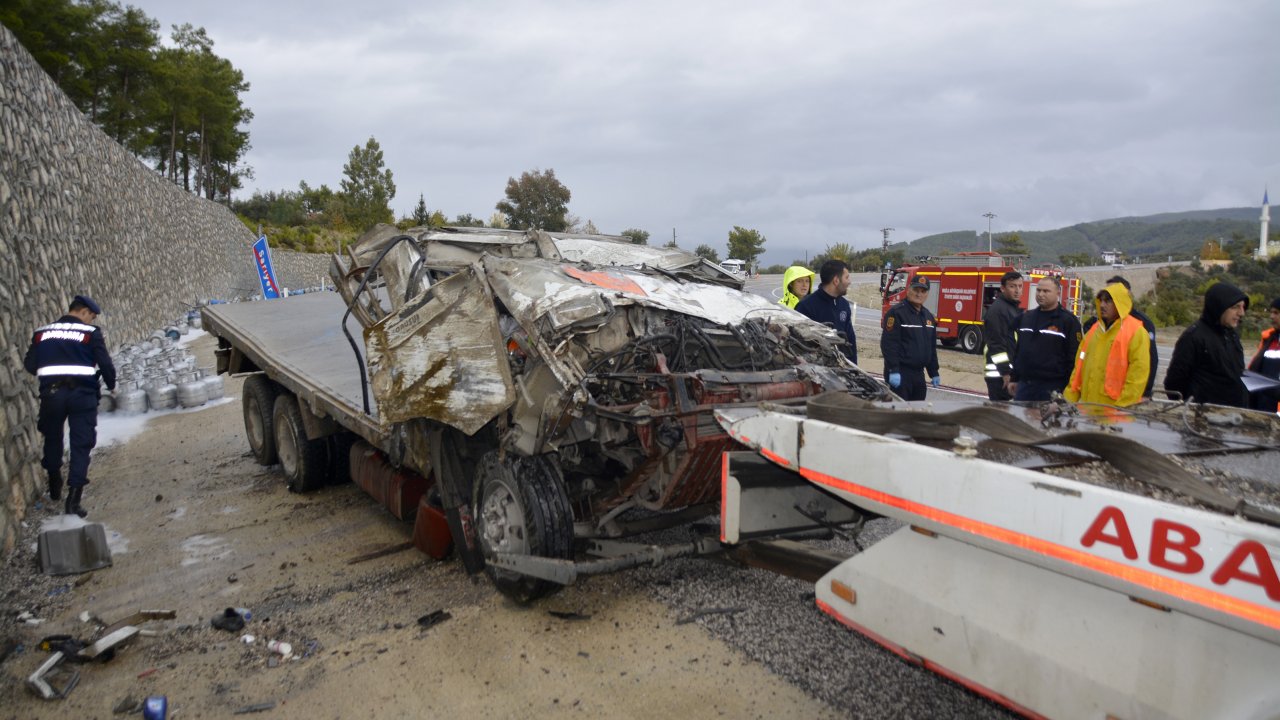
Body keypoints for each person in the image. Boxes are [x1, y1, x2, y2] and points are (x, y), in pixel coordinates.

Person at [23, 295, 116, 517]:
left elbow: (30, 365)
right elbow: (105, 363)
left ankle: (55, 482)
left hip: (52, 394)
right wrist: (111, 384)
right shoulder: (90, 334)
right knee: (81, 444)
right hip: (82, 395)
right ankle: (73, 501)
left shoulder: (41, 333)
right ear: (83, 312)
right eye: (91, 317)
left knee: (52, 436)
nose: (91, 322)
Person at [1164, 282, 1249, 407]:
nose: (1241, 313)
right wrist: (1193, 408)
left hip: (1233, 416)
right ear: (1219, 306)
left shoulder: (1231, 335)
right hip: (1203, 419)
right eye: (1236, 307)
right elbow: (1174, 383)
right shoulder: (1194, 336)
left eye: (1243, 307)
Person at [1064, 282, 1150, 407]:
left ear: (1119, 303)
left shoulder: (1136, 332)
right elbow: (1078, 369)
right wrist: (1068, 400)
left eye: (1108, 301)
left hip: (1114, 413)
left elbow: (1138, 376)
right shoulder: (1094, 331)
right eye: (1101, 301)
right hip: (1088, 409)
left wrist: (1122, 409)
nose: (1103, 305)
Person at [1083, 275, 1158, 398]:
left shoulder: (1141, 324)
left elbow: (1148, 361)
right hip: (1094, 396)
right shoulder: (1095, 325)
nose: (1104, 303)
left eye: (1110, 297)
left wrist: (1145, 392)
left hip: (1122, 397)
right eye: (1104, 297)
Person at [1009, 277, 1082, 401]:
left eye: (1046, 291)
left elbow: (1073, 358)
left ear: (1058, 293)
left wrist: (1065, 389)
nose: (1040, 294)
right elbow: (1019, 351)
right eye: (1038, 290)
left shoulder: (1068, 321)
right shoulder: (1026, 317)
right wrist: (1014, 378)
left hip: (1052, 388)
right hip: (1025, 386)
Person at [880, 276, 941, 401]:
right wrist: (893, 369)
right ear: (908, 290)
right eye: (916, 290)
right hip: (901, 373)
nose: (919, 294)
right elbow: (889, 344)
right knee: (899, 415)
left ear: (927, 294)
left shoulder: (928, 317)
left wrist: (934, 372)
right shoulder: (897, 313)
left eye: (923, 291)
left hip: (919, 374)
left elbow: (931, 347)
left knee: (916, 414)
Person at [795, 259, 857, 364]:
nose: (849, 281)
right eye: (847, 277)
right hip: (818, 372)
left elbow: (850, 339)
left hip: (843, 370)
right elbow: (797, 344)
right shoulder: (805, 306)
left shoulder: (844, 305)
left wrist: (854, 368)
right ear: (836, 280)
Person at [982, 271, 1023, 400]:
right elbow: (996, 344)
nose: (1017, 290)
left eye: (1020, 286)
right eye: (1012, 286)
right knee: (1001, 415)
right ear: (1002, 288)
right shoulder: (998, 310)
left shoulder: (1011, 308)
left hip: (1007, 373)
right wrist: (1005, 372)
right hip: (1000, 376)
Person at [1248, 297, 1280, 412]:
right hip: (1261, 408)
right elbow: (1254, 370)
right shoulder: (1268, 339)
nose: (1272, 317)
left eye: (1276, 313)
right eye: (1271, 312)